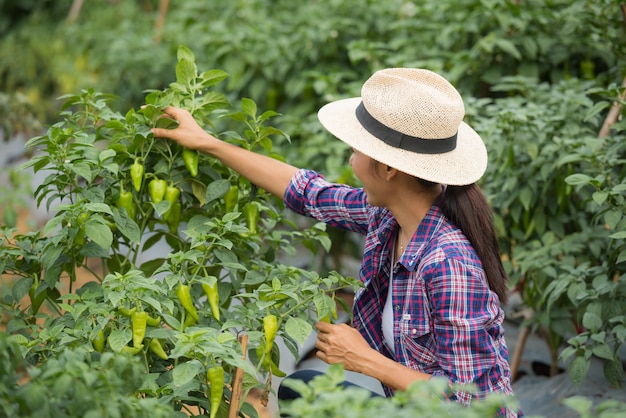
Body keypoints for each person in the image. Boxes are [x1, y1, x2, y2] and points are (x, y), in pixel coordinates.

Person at [152, 68, 521, 417]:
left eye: (357, 150)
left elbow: (471, 403)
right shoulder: (391, 216)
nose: (351, 159)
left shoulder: (448, 264)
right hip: (412, 407)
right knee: (304, 388)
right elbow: (308, 192)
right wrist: (208, 142)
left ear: (389, 169)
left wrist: (365, 359)